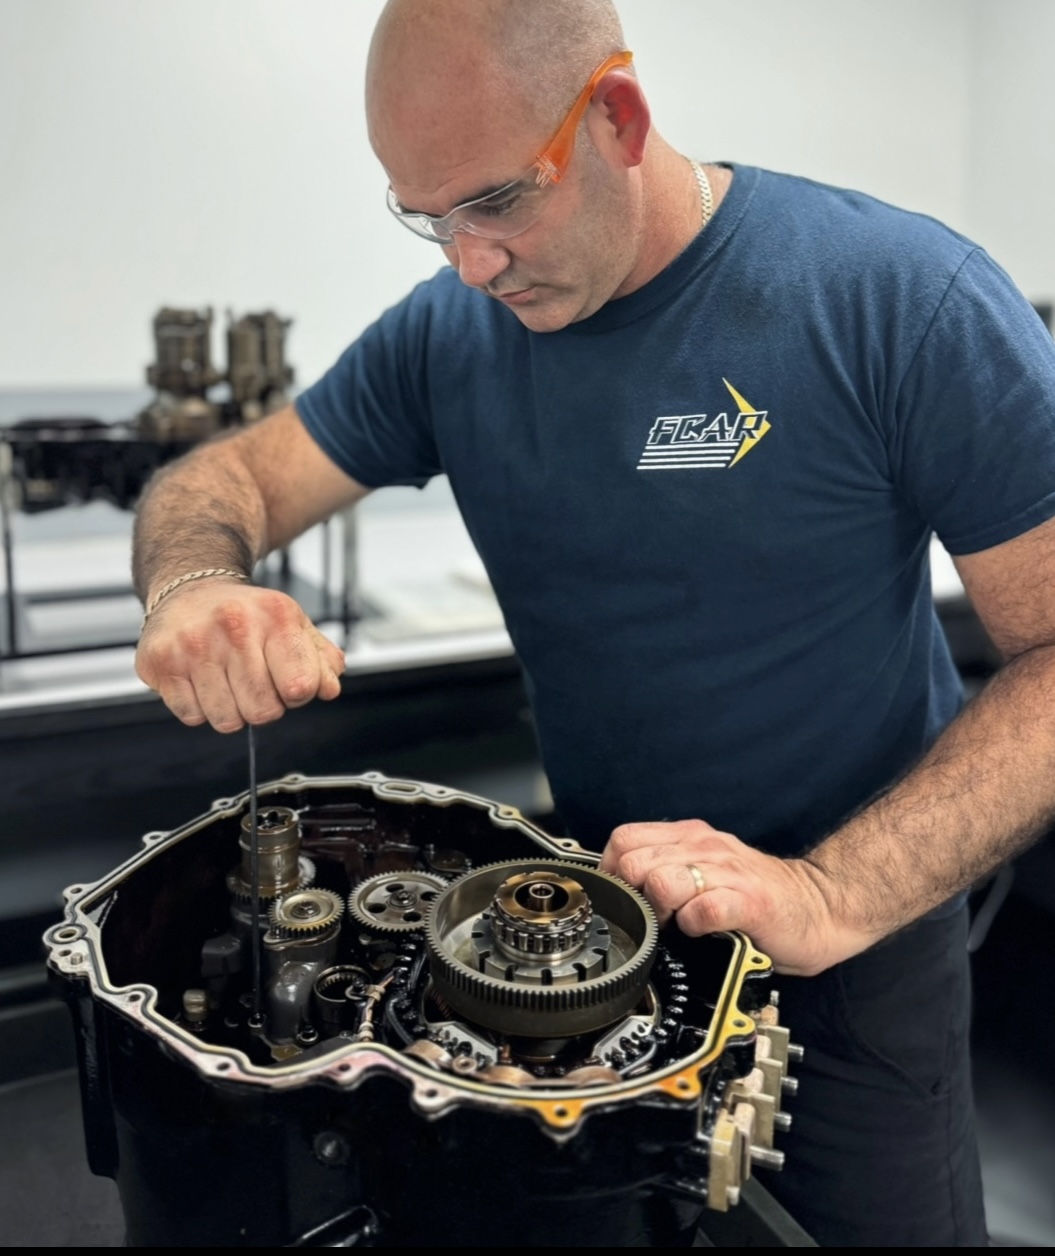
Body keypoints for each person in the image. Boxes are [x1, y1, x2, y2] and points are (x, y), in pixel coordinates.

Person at [132, 0, 1055, 1244]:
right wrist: (194, 583)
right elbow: (224, 480)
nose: (469, 262)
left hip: (849, 960)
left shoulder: (896, 298)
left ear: (616, 116)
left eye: (495, 202)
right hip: (576, 943)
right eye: (427, 216)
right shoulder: (449, 335)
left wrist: (826, 890)